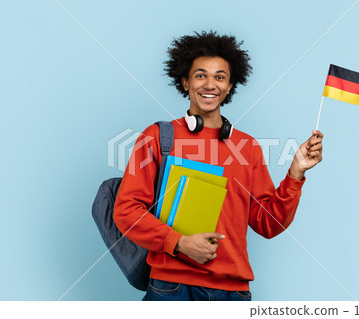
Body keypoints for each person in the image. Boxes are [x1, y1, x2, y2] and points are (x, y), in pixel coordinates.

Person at [113, 31, 324, 301]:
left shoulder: (247, 147)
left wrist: (296, 173)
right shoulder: (156, 137)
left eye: (219, 77)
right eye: (200, 75)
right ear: (185, 82)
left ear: (229, 86)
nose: (209, 84)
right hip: (172, 289)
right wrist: (179, 243)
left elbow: (268, 224)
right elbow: (126, 211)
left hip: (233, 293)